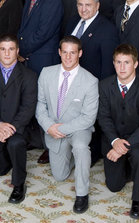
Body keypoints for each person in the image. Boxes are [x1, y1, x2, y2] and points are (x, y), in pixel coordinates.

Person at [36, 36, 99, 214]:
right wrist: (49, 127)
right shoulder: (46, 73)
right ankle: (71, 159)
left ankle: (82, 194)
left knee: (80, 148)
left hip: (78, 128)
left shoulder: (90, 81)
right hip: (52, 128)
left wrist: (60, 129)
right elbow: (40, 105)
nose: (68, 57)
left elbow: (88, 118)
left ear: (80, 53)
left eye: (73, 53)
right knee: (60, 176)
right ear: (59, 52)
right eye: (65, 52)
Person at [98, 44, 139, 220]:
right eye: (118, 62)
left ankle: (138, 199)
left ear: (136, 64)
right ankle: (128, 167)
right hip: (112, 139)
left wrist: (123, 146)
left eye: (127, 62)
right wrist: (114, 141)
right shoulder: (104, 86)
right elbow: (103, 118)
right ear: (114, 63)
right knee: (114, 186)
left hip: (136, 139)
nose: (122, 67)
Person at [0, 34, 37, 203]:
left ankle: (19, 184)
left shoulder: (29, 76)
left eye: (11, 49)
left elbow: (28, 108)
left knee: (15, 143)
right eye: (3, 49)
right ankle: (1, 151)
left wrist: (10, 127)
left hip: (18, 129)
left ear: (17, 51)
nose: (7, 53)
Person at [65, 0, 119, 166]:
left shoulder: (107, 28)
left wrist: (100, 91)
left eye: (88, 5)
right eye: (80, 4)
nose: (84, 9)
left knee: (91, 119)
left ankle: (93, 153)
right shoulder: (73, 21)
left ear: (97, 6)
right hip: (70, 80)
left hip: (92, 85)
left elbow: (107, 66)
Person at [18, 0, 63, 74]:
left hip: (43, 61)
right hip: (29, 59)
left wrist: (22, 51)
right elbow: (23, 28)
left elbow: (43, 33)